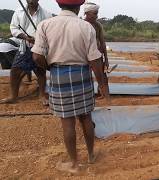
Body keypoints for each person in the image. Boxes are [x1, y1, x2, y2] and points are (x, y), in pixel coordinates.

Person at [32, 0, 108, 173]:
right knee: (86, 118)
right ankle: (91, 155)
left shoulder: (45, 25)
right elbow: (95, 60)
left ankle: (74, 164)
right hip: (82, 73)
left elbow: (37, 57)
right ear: (79, 7)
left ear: (60, 5)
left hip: (59, 75)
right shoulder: (86, 27)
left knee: (67, 122)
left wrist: (50, 66)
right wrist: (102, 84)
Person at [0, 0, 52, 105]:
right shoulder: (18, 12)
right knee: (15, 70)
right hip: (24, 46)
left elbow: (50, 31)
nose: (31, 1)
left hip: (40, 47)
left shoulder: (47, 14)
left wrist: (39, 38)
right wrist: (25, 37)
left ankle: (42, 95)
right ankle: (13, 96)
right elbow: (13, 28)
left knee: (40, 71)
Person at [83, 2, 110, 100]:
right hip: (84, 55)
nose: (96, 16)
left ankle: (104, 94)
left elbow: (102, 42)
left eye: (97, 13)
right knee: (85, 75)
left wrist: (106, 58)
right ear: (87, 13)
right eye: (94, 13)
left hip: (97, 54)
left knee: (102, 75)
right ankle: (87, 95)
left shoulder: (98, 25)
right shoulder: (81, 24)